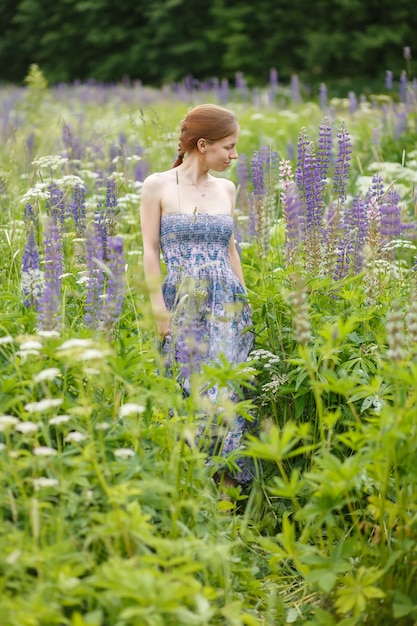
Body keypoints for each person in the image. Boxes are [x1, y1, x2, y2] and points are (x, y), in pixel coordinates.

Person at [140, 103, 255, 490]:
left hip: (225, 304)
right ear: (203, 145)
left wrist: (245, 303)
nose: (234, 156)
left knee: (224, 392)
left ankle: (227, 491)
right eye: (229, 147)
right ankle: (188, 484)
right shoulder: (157, 185)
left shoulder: (226, 188)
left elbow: (230, 248)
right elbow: (151, 249)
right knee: (186, 390)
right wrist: (158, 306)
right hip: (181, 302)